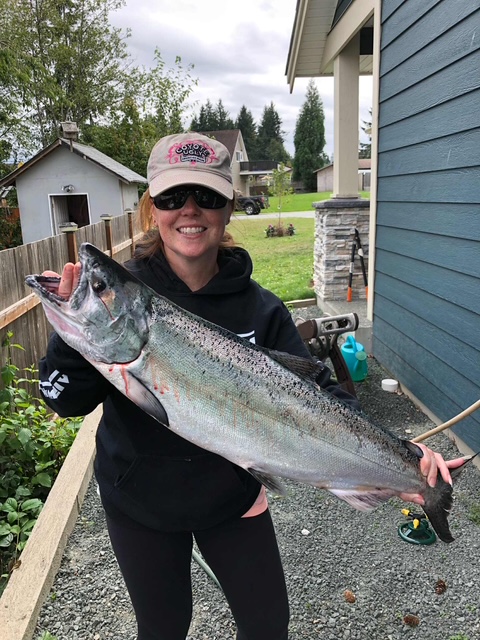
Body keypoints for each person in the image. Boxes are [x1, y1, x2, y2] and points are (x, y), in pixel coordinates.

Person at [39, 133, 462, 640]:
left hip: (232, 500)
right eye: (173, 197)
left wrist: (403, 459)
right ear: (153, 208)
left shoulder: (262, 309)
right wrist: (76, 336)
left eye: (208, 197)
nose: (189, 211)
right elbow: (61, 398)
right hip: (140, 505)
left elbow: (327, 396)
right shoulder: (127, 296)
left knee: (267, 626)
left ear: (228, 208)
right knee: (163, 626)